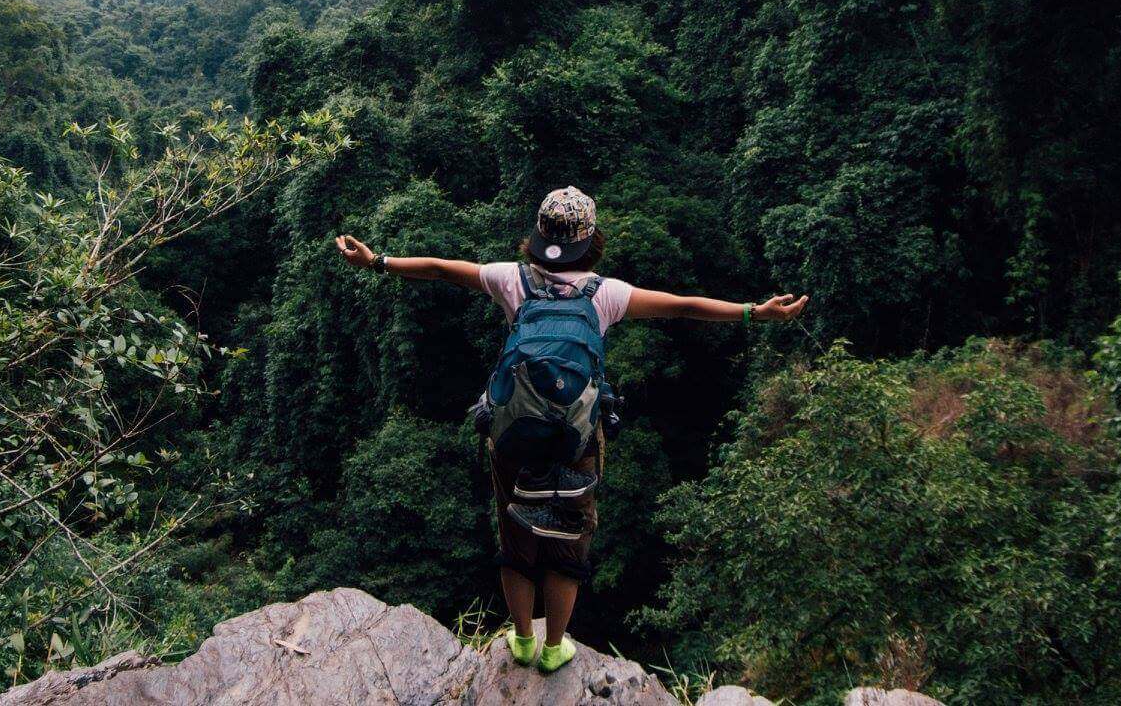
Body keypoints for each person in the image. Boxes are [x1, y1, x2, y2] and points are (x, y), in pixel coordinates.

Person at [334, 185, 810, 674]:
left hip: (513, 430)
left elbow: (440, 269)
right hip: (578, 435)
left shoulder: (510, 279)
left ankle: (521, 640)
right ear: (591, 239)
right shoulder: (606, 294)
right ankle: (555, 646)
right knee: (569, 541)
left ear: (539, 236)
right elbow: (685, 306)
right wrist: (755, 311)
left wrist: (377, 261)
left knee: (515, 529)